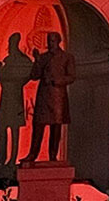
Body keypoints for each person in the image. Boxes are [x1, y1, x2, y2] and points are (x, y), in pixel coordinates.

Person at [21, 31, 75, 165]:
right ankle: (33, 154)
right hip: (44, 94)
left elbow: (72, 76)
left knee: (56, 127)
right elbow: (34, 75)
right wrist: (37, 60)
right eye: (49, 40)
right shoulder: (43, 57)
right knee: (38, 124)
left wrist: (58, 80)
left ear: (58, 41)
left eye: (53, 40)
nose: (50, 43)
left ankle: (53, 156)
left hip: (58, 96)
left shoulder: (66, 57)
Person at [0, 32, 34, 166]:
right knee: (1, 126)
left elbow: (29, 74)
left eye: (11, 42)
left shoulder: (23, 60)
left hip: (15, 97)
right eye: (9, 42)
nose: (10, 45)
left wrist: (17, 82)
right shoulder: (7, 60)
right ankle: (1, 157)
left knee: (14, 129)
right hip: (5, 97)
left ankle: (13, 159)